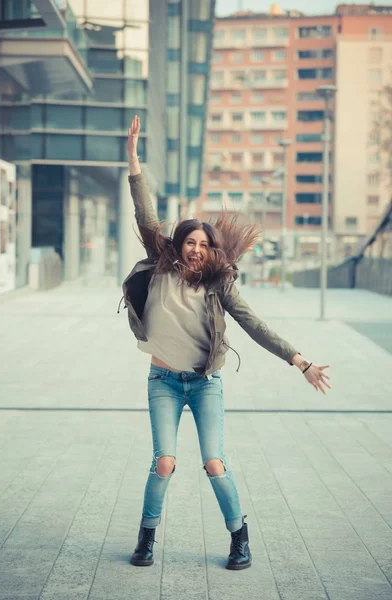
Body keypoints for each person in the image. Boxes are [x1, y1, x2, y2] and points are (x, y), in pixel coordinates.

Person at [119, 115, 331, 571]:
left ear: (212, 250)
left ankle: (239, 537)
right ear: (177, 244)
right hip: (162, 380)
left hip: (204, 383)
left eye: (203, 243)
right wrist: (134, 160)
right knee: (164, 463)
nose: (195, 248)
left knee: (214, 463)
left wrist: (301, 361)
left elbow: (254, 325)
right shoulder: (161, 264)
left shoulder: (219, 285)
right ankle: (146, 537)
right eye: (188, 241)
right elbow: (144, 210)